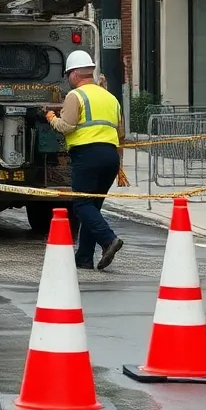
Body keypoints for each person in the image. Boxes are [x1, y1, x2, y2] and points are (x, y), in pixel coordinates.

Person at [47, 50, 125, 271]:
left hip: (87, 155)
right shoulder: (111, 98)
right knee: (93, 207)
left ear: (73, 75)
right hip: (110, 157)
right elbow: (121, 132)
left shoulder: (76, 96)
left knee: (81, 204)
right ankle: (83, 258)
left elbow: (67, 126)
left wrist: (51, 118)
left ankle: (108, 240)